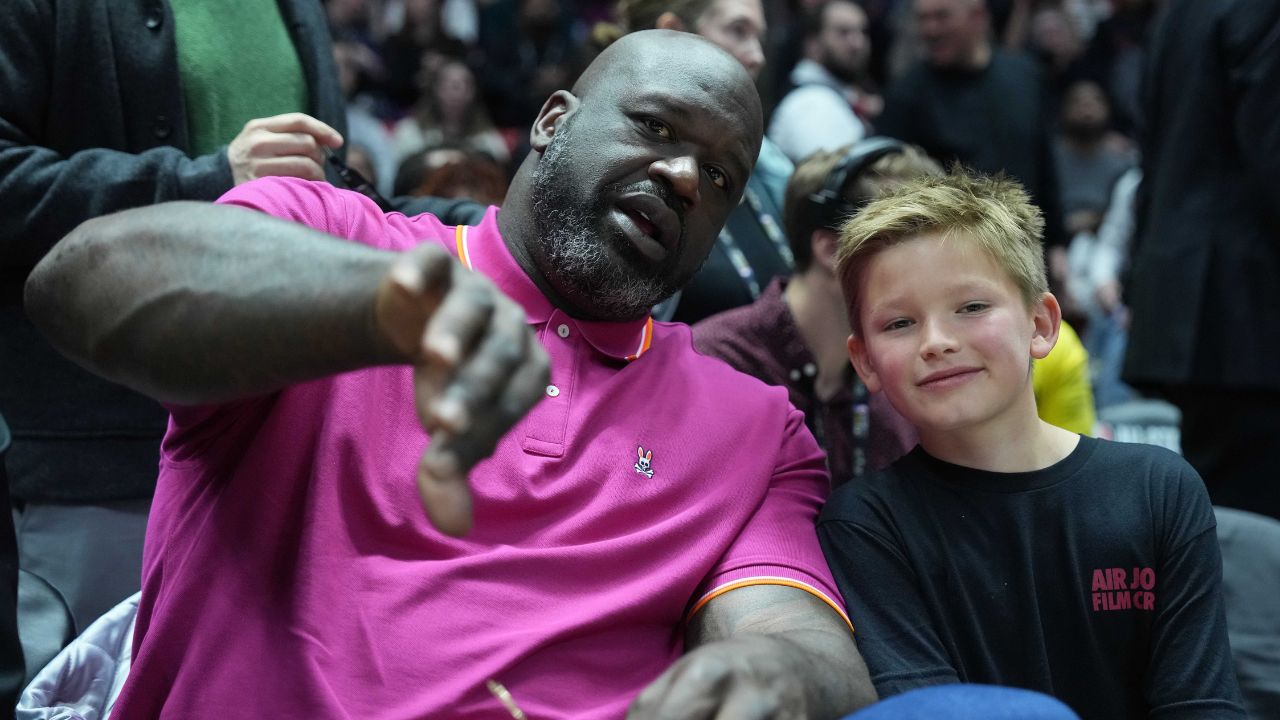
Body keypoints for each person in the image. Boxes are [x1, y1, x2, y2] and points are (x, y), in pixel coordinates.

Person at [24, 30, 876, 719]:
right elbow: (81, 281)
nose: (686, 177)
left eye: (721, 176)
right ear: (551, 121)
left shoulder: (755, 427)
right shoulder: (335, 242)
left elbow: (792, 633)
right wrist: (380, 307)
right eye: (656, 128)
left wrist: (773, 677)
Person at [818, 169, 1245, 719]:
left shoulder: (1158, 490)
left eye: (971, 307)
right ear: (866, 361)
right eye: (899, 322)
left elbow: (1202, 706)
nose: (937, 342)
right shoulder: (864, 526)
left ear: (1041, 324)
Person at [0, 0, 346, 635]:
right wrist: (207, 181)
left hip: (288, 463)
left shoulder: (298, 10)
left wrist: (479, 220)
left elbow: (336, 202)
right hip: (102, 471)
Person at [694, 139, 937, 485]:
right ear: (831, 250)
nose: (935, 270)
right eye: (908, 244)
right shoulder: (716, 364)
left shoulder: (892, 383)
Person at [1123, 0, 1280, 520]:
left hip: (1193, 300)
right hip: (1248, 308)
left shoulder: (1180, 11)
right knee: (1254, 532)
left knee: (1228, 519)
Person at [600, 0, 797, 324]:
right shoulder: (614, 150)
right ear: (674, 32)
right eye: (738, 30)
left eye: (759, 37)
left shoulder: (767, 166)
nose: (757, 56)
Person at [876, 0, 1068, 294]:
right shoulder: (906, 95)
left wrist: (1058, 243)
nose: (930, 30)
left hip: (1026, 248)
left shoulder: (1025, 77)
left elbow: (1044, 164)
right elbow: (887, 194)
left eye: (941, 17)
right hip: (951, 263)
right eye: (923, 19)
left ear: (978, 17)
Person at [767, 0, 878, 164]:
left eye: (862, 32)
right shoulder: (810, 104)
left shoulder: (836, 94)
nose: (858, 43)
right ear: (812, 44)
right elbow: (832, 180)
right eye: (843, 32)